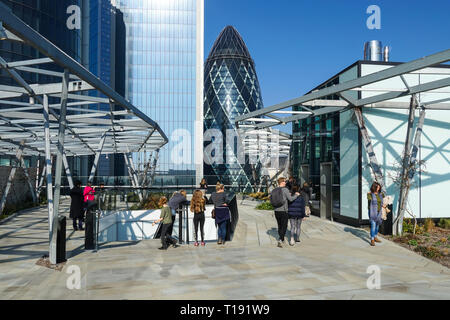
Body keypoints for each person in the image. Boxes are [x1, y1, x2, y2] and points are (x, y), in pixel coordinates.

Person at [271, 177, 300, 248]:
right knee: (284, 226)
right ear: (282, 182)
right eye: (284, 182)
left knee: (279, 225)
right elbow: (290, 199)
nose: (285, 183)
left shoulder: (274, 190)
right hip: (284, 210)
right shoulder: (285, 190)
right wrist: (296, 195)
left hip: (276, 210)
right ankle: (280, 239)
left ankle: (282, 238)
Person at [367, 182, 386, 247]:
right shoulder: (370, 194)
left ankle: (375, 236)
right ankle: (372, 240)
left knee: (377, 225)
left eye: (379, 187)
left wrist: (384, 205)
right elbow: (369, 200)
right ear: (374, 187)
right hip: (372, 212)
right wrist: (370, 194)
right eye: (377, 187)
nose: (378, 188)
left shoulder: (381, 194)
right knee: (373, 225)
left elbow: (385, 199)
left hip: (379, 212)